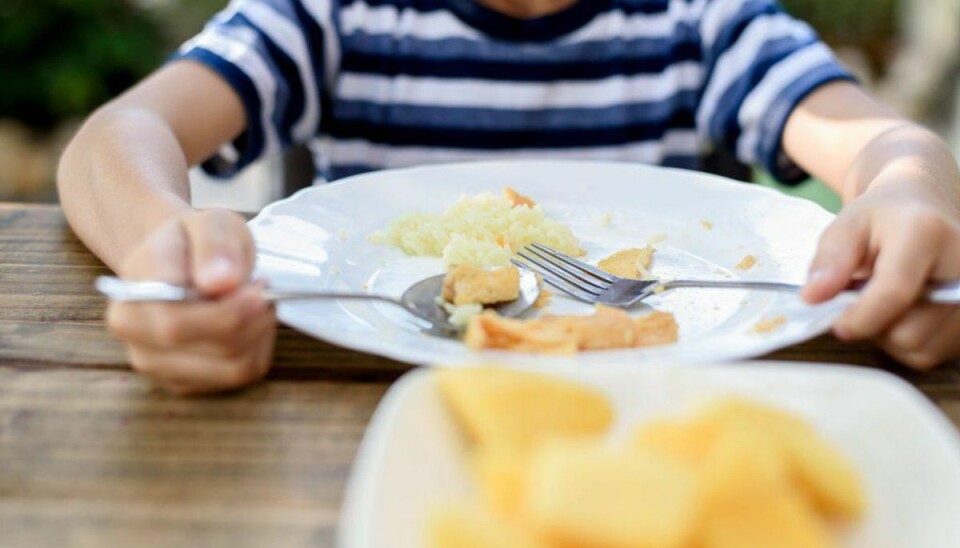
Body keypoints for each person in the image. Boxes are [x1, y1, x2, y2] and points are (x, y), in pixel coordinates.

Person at [58, 0, 960, 394]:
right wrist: (164, 242)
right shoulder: (328, 12)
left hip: (652, 410)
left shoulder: (700, 19)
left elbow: (887, 144)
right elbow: (117, 138)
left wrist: (914, 197)